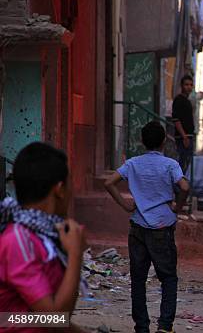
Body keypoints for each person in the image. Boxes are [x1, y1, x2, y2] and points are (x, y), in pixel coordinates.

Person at [105, 121, 190, 333]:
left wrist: (125, 204)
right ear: (163, 141)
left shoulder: (133, 164)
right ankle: (164, 326)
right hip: (162, 226)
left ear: (142, 141)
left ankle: (141, 327)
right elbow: (184, 186)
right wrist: (177, 207)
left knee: (138, 279)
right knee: (168, 277)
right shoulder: (171, 165)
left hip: (138, 226)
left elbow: (109, 183)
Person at [0, 143, 87, 332]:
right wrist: (74, 255)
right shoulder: (19, 239)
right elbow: (53, 319)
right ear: (59, 189)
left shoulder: (44, 236)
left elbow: (32, 316)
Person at [172, 74, 195, 173]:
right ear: (182, 86)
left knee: (186, 164)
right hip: (183, 138)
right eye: (186, 84)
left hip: (188, 136)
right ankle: (177, 186)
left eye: (190, 85)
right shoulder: (179, 100)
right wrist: (184, 137)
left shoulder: (187, 101)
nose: (189, 87)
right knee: (182, 164)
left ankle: (180, 186)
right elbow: (176, 120)